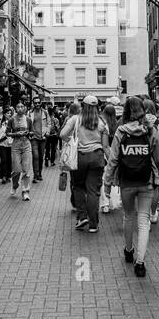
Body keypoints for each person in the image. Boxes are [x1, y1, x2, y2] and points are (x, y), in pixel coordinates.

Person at [102, 96, 159, 277]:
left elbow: (114, 159)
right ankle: (140, 262)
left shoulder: (121, 132)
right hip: (146, 181)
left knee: (128, 216)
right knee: (143, 221)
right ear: (143, 111)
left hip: (126, 181)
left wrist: (107, 184)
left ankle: (129, 250)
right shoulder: (150, 131)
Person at [61, 95, 109, 232]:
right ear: (97, 107)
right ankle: (93, 224)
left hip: (79, 157)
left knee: (78, 187)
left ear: (83, 106)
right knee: (93, 191)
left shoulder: (75, 119)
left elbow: (62, 134)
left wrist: (73, 139)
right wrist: (111, 162)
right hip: (97, 157)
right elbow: (105, 147)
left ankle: (82, 217)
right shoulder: (101, 122)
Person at [141, 97, 159, 225]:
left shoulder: (139, 121)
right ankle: (153, 213)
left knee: (143, 187)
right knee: (156, 185)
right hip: (156, 156)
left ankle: (144, 214)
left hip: (141, 156)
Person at [6, 101, 33, 201]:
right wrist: (16, 134)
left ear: (25, 108)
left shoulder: (28, 119)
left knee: (26, 169)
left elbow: (32, 132)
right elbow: (7, 133)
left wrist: (28, 133)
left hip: (26, 144)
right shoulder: (12, 120)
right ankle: (15, 185)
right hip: (16, 145)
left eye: (22, 107)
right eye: (18, 107)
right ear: (15, 108)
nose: (20, 108)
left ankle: (25, 191)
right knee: (16, 169)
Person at [99, 100, 121, 213]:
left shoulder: (103, 125)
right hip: (117, 152)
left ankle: (106, 203)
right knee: (115, 178)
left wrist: (109, 157)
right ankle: (115, 201)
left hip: (106, 153)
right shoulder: (117, 124)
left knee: (105, 178)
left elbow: (105, 145)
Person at [29, 98, 50, 182]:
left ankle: (39, 173)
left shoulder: (45, 112)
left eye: (38, 103)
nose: (37, 104)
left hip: (43, 137)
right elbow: (27, 123)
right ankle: (35, 175)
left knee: (41, 157)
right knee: (35, 156)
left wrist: (47, 131)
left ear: (41, 103)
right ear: (33, 104)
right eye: (35, 103)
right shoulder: (30, 113)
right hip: (33, 137)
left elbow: (49, 123)